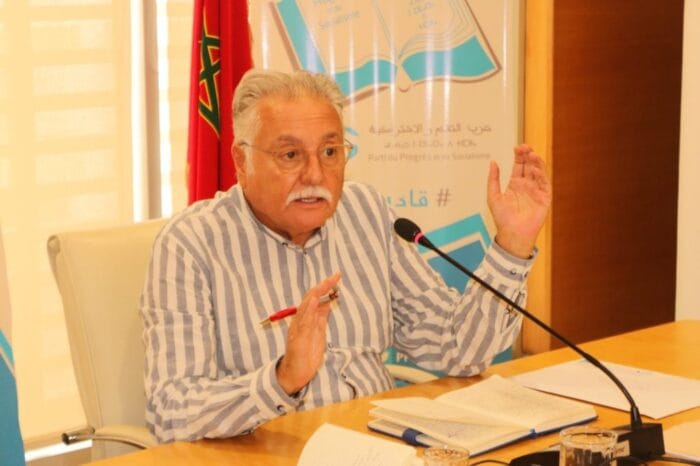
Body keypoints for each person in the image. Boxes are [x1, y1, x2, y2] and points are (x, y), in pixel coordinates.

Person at [140, 69, 552, 443]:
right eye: (290, 155)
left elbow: (459, 347)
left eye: (330, 152)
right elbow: (172, 411)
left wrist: (512, 245)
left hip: (377, 447)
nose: (315, 175)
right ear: (241, 161)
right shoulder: (190, 244)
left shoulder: (366, 212)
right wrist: (282, 379)